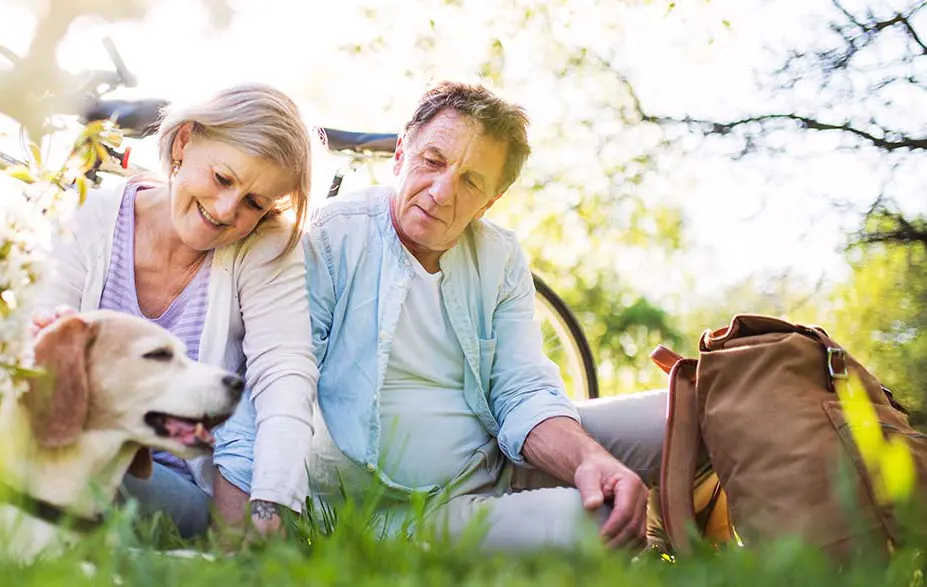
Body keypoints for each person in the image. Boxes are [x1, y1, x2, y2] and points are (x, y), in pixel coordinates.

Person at [214, 81, 668, 551]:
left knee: (678, 414)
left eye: (471, 181)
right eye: (433, 161)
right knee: (604, 522)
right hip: (417, 512)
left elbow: (521, 390)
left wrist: (589, 459)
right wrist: (250, 522)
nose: (442, 191)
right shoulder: (331, 238)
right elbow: (274, 386)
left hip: (500, 455)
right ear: (400, 154)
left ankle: (712, 517)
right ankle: (647, 515)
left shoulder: (500, 256)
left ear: (490, 201)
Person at [36, 83, 318, 539]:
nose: (227, 210)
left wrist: (272, 501)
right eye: (223, 179)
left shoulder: (264, 248)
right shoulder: (89, 216)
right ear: (184, 141)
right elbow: (40, 348)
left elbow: (285, 374)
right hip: (64, 452)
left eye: (254, 203)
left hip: (170, 485)